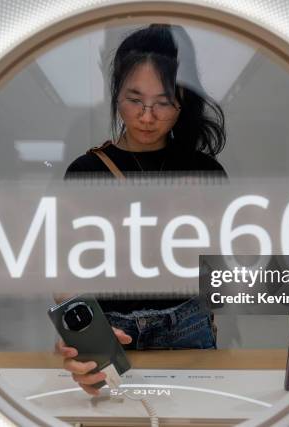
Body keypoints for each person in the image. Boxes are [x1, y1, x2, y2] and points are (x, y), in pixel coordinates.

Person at [58, 24, 227, 395]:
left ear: (184, 99)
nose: (147, 117)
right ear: (117, 93)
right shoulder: (86, 172)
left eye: (163, 102)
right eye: (134, 99)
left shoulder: (206, 174)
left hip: (189, 326)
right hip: (113, 329)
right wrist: (81, 332)